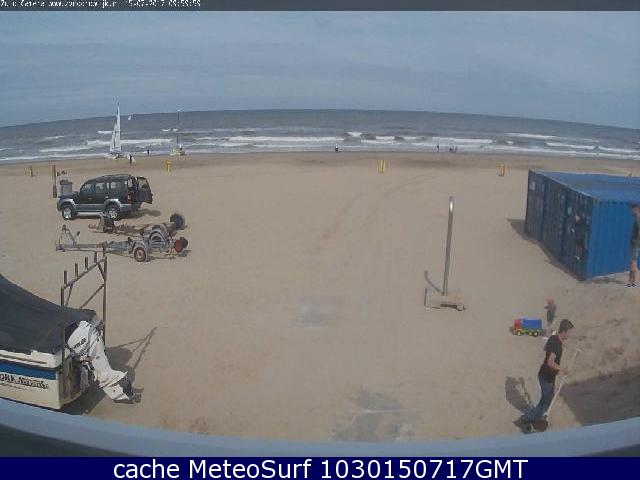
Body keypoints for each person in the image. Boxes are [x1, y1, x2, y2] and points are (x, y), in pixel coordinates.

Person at [520, 319, 574, 432]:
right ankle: (528, 418)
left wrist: (555, 349)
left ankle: (534, 417)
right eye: (569, 332)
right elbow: (550, 362)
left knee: (546, 399)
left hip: (546, 374)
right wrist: (562, 369)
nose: (570, 334)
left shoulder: (553, 338)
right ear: (564, 331)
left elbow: (545, 348)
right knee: (545, 402)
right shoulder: (557, 345)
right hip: (546, 377)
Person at [628, 203, 640, 287]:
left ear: (636, 209)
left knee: (633, 261)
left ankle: (631, 281)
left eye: (631, 210)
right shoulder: (637, 219)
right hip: (636, 243)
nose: (631, 212)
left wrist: (637, 241)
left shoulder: (637, 220)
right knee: (633, 261)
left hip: (635, 243)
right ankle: (632, 281)